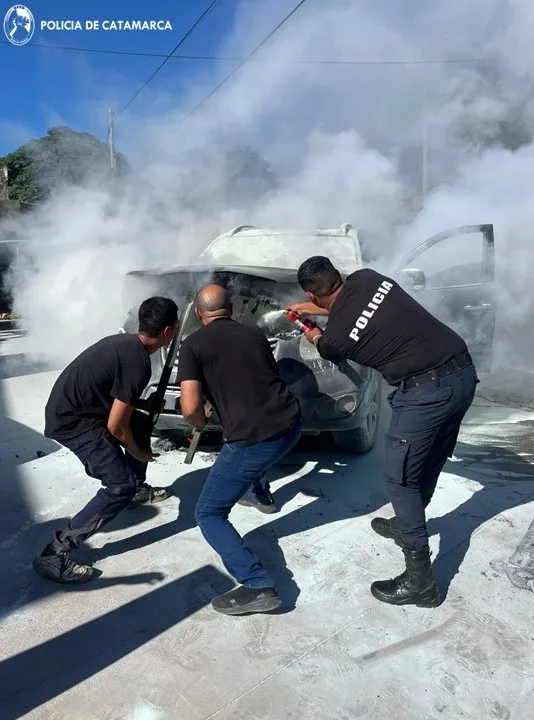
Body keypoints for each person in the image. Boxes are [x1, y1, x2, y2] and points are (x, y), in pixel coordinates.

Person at [289, 257, 478, 608]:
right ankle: (408, 522)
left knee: (399, 477)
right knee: (431, 454)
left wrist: (313, 332)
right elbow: (352, 310)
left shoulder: (334, 342)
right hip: (463, 374)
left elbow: (330, 342)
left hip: (426, 391)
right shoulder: (368, 278)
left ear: (313, 294)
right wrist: (305, 305)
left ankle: (421, 583)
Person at [33, 296, 178, 584]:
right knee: (118, 485)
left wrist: (145, 406)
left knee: (139, 419)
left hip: (79, 409)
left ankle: (136, 490)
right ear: (168, 332)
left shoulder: (124, 344)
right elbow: (115, 427)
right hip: (73, 422)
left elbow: (114, 394)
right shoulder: (138, 363)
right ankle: (55, 552)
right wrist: (138, 453)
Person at [177, 284, 301, 615]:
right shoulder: (253, 334)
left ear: (200, 313)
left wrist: (198, 419)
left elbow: (189, 407)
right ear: (230, 309)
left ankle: (257, 584)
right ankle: (261, 496)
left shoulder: (193, 346)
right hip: (290, 424)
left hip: (252, 438)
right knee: (254, 461)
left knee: (208, 513)